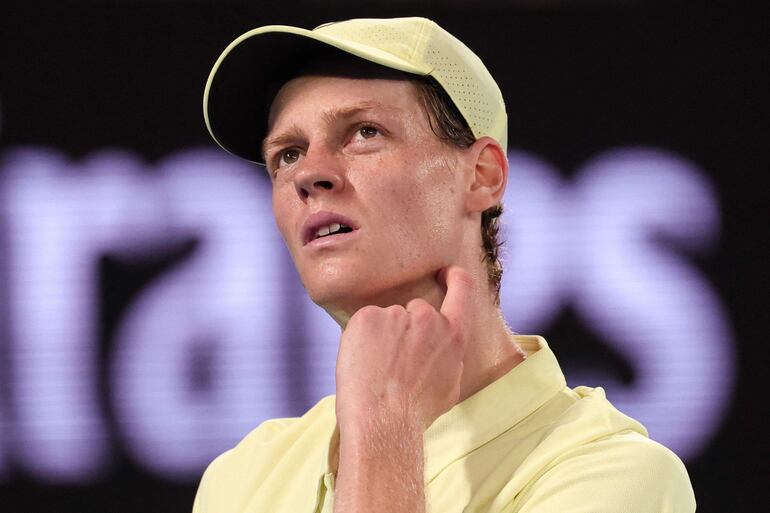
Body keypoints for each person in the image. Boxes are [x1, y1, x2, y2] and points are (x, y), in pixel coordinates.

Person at [194, 17, 696, 513]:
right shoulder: (241, 477)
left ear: (482, 176)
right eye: (287, 154)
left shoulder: (613, 478)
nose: (309, 173)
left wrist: (385, 427)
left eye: (364, 132)